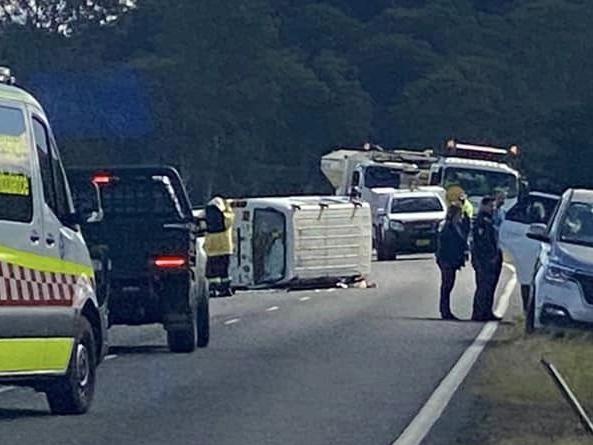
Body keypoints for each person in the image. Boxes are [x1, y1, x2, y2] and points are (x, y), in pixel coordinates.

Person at [471, 196, 502, 321]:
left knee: (490, 287)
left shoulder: (490, 219)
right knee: (483, 286)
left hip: (492, 257)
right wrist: (487, 257)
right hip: (484, 259)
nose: (492, 208)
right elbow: (481, 242)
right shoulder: (481, 221)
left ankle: (487, 312)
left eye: (493, 206)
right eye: (490, 206)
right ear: (483, 206)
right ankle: (478, 313)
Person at [436, 204, 468, 320]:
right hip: (446, 260)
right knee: (446, 285)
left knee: (449, 285)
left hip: (453, 260)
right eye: (459, 214)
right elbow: (444, 245)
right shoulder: (446, 227)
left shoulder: (458, 225)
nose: (460, 216)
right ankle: (445, 311)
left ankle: (446, 310)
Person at [204, 197, 235, 297]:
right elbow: (230, 219)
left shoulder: (207, 214)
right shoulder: (227, 216)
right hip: (225, 247)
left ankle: (212, 290)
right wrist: (228, 207)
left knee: (212, 272)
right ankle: (226, 289)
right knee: (224, 271)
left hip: (211, 247)